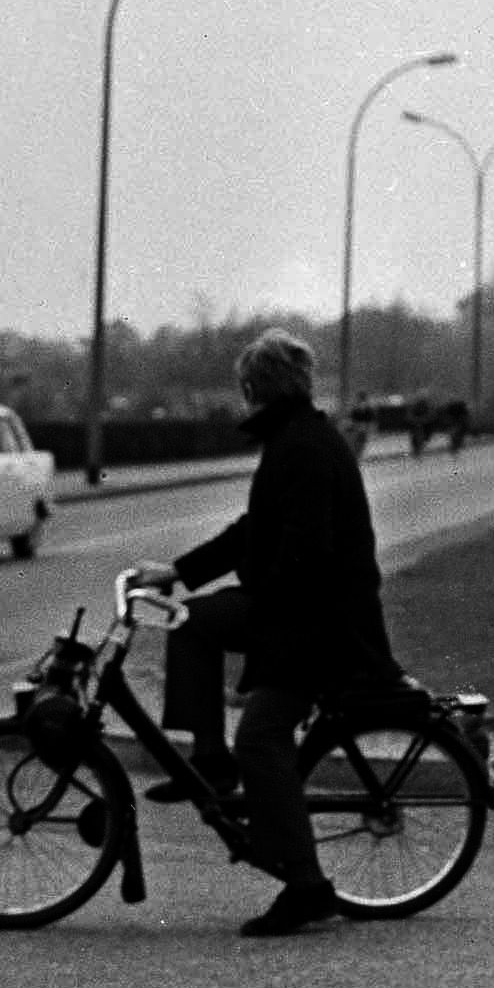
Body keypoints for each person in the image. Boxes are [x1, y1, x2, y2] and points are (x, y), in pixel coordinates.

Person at [133, 328, 404, 938]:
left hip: (320, 626)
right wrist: (179, 572)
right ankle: (208, 762)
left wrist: (252, 600)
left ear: (256, 388)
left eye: (246, 389)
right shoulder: (295, 439)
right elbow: (256, 529)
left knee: (260, 739)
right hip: (301, 612)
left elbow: (305, 552)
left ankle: (307, 886)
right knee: (190, 622)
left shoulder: (303, 449)